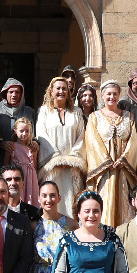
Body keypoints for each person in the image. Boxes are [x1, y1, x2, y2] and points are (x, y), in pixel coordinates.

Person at [83, 80, 137, 227]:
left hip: (123, 170)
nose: (112, 97)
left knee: (124, 204)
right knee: (104, 201)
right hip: (104, 171)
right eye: (108, 94)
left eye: (115, 94)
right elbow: (92, 141)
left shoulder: (128, 116)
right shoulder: (94, 117)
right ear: (102, 96)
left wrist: (124, 159)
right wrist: (106, 161)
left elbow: (133, 141)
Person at [36, 76, 86, 218]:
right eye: (58, 88)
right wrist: (57, 159)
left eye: (64, 88)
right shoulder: (44, 111)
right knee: (51, 199)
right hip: (52, 168)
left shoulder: (76, 111)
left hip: (72, 168)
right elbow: (41, 135)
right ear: (51, 91)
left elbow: (82, 135)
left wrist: (71, 159)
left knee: (72, 202)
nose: (61, 91)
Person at [0, 78, 35, 163]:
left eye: (17, 92)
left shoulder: (29, 112)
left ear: (21, 94)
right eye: (11, 92)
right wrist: (1, 143)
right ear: (5, 93)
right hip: (0, 155)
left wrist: (35, 143)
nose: (14, 95)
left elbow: (35, 134)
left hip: (23, 158)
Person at [5, 117, 39, 201]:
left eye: (27, 131)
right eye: (21, 131)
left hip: (30, 179)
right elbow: (5, 165)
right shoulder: (11, 146)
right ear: (15, 131)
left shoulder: (32, 148)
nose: (24, 134)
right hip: (17, 178)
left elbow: (35, 165)